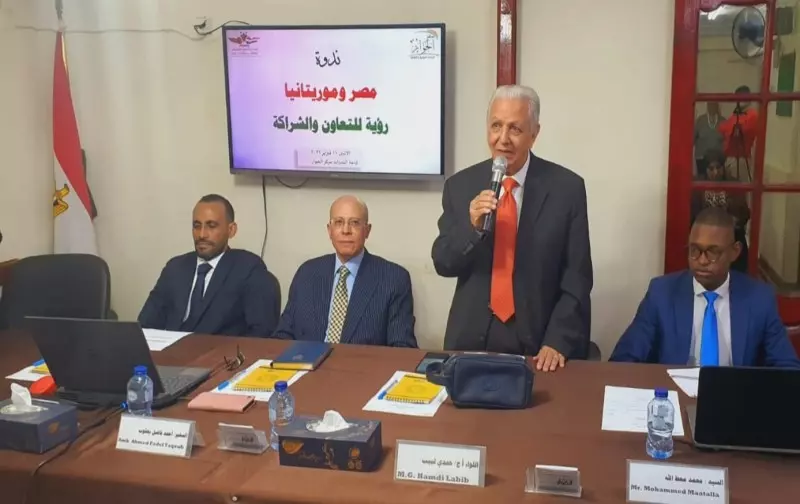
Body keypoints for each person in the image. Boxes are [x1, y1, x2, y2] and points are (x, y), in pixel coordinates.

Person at [431, 85, 593, 372]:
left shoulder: (566, 189)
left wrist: (558, 340)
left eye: (515, 129)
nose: (502, 139)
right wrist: (472, 228)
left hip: (538, 343)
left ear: (534, 133)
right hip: (471, 340)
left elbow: (577, 277)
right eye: (496, 126)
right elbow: (443, 262)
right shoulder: (460, 186)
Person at [610, 207, 800, 368]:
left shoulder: (759, 298)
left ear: (735, 252)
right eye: (695, 250)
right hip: (674, 395)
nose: (701, 260)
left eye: (713, 252)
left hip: (736, 396)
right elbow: (623, 360)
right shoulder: (661, 293)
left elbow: (788, 368)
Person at [273, 195, 417, 347]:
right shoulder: (307, 273)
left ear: (367, 231)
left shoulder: (393, 278)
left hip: (361, 362)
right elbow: (283, 335)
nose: (346, 230)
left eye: (354, 223)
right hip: (308, 360)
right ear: (329, 230)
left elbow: (402, 348)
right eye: (339, 222)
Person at [138, 194, 278, 337]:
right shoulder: (175, 268)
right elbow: (145, 324)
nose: (202, 234)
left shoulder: (248, 269)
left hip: (220, 350)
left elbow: (261, 332)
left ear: (231, 230)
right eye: (197, 226)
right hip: (169, 349)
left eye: (211, 226)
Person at [691, 148, 750, 273]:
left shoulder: (733, 184)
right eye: (711, 169)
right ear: (705, 170)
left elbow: (744, 213)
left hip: (729, 231)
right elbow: (693, 213)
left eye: (718, 168)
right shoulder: (698, 186)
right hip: (706, 233)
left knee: (738, 241)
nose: (716, 172)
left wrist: (733, 220)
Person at [718, 85, 758, 182]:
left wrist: (730, 128)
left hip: (741, 158)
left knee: (740, 188)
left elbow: (737, 131)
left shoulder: (753, 115)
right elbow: (722, 128)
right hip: (729, 158)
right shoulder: (737, 113)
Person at [693, 102, 725, 179]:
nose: (712, 107)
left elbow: (727, 141)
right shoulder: (700, 121)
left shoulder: (723, 121)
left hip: (718, 161)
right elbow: (692, 139)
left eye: (714, 104)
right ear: (707, 106)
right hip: (701, 160)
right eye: (710, 104)